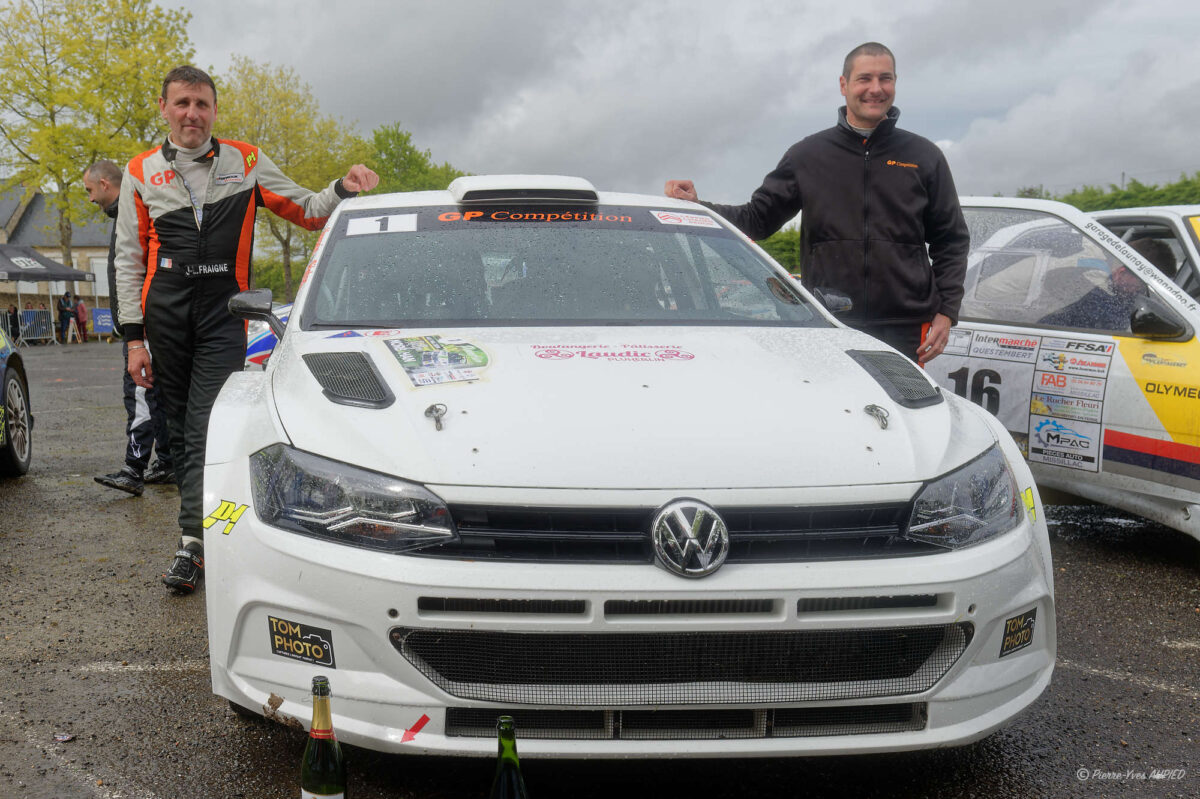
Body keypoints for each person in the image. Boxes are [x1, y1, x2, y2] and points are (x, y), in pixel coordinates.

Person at [114, 65, 379, 594]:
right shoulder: (140, 170)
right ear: (164, 108)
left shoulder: (246, 160)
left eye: (202, 104)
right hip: (164, 312)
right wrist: (134, 339)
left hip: (222, 311)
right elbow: (127, 258)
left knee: (210, 425)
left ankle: (201, 541)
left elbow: (305, 210)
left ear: (214, 110)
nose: (193, 113)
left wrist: (341, 189)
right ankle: (196, 543)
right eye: (183, 103)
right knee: (179, 431)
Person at [664, 42, 969, 364]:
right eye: (865, 78)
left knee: (907, 413)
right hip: (830, 321)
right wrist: (698, 204)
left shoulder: (924, 156)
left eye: (886, 78)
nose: (876, 89)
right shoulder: (807, 155)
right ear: (844, 84)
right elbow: (757, 220)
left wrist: (947, 312)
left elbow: (951, 240)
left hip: (905, 327)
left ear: (895, 82)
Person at [84, 159, 175, 497]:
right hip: (149, 324)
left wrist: (135, 331)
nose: (90, 199)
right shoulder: (137, 211)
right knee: (159, 397)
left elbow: (137, 270)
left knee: (139, 394)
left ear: (106, 184)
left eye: (90, 191)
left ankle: (133, 469)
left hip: (143, 328)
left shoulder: (133, 213)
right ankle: (166, 462)